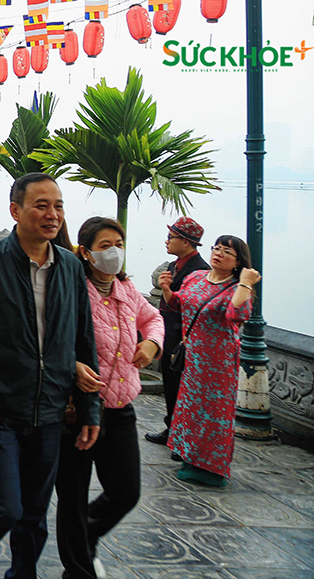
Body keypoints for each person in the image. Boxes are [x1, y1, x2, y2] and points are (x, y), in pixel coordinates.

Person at [0, 173, 100, 579]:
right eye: (41, 205)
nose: (52, 214)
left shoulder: (70, 270)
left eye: (58, 205)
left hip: (50, 407)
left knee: (34, 514)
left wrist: (91, 408)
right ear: (16, 210)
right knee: (5, 505)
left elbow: (84, 342)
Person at [56, 217, 164, 579]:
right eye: (104, 245)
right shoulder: (72, 288)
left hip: (120, 408)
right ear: (85, 252)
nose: (113, 251)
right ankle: (78, 569)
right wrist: (70, 365)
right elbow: (50, 337)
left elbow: (154, 318)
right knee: (72, 498)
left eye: (118, 243)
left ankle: (83, 536)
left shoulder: (127, 289)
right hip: (77, 410)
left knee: (125, 492)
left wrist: (152, 342)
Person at [160, 235, 259, 487]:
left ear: (238, 262)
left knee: (213, 413)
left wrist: (246, 284)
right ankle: (190, 457)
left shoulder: (237, 288)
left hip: (219, 360)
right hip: (193, 357)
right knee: (191, 409)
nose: (219, 253)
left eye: (227, 252)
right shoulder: (196, 277)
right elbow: (179, 303)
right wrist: (166, 289)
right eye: (217, 248)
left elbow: (235, 314)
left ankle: (210, 467)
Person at [146, 217, 209, 446]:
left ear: (185, 242)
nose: (167, 242)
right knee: (171, 385)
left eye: (171, 238)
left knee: (183, 387)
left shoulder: (200, 271)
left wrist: (166, 289)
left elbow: (189, 306)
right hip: (168, 333)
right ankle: (172, 428)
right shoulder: (174, 266)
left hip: (184, 337)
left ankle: (181, 434)